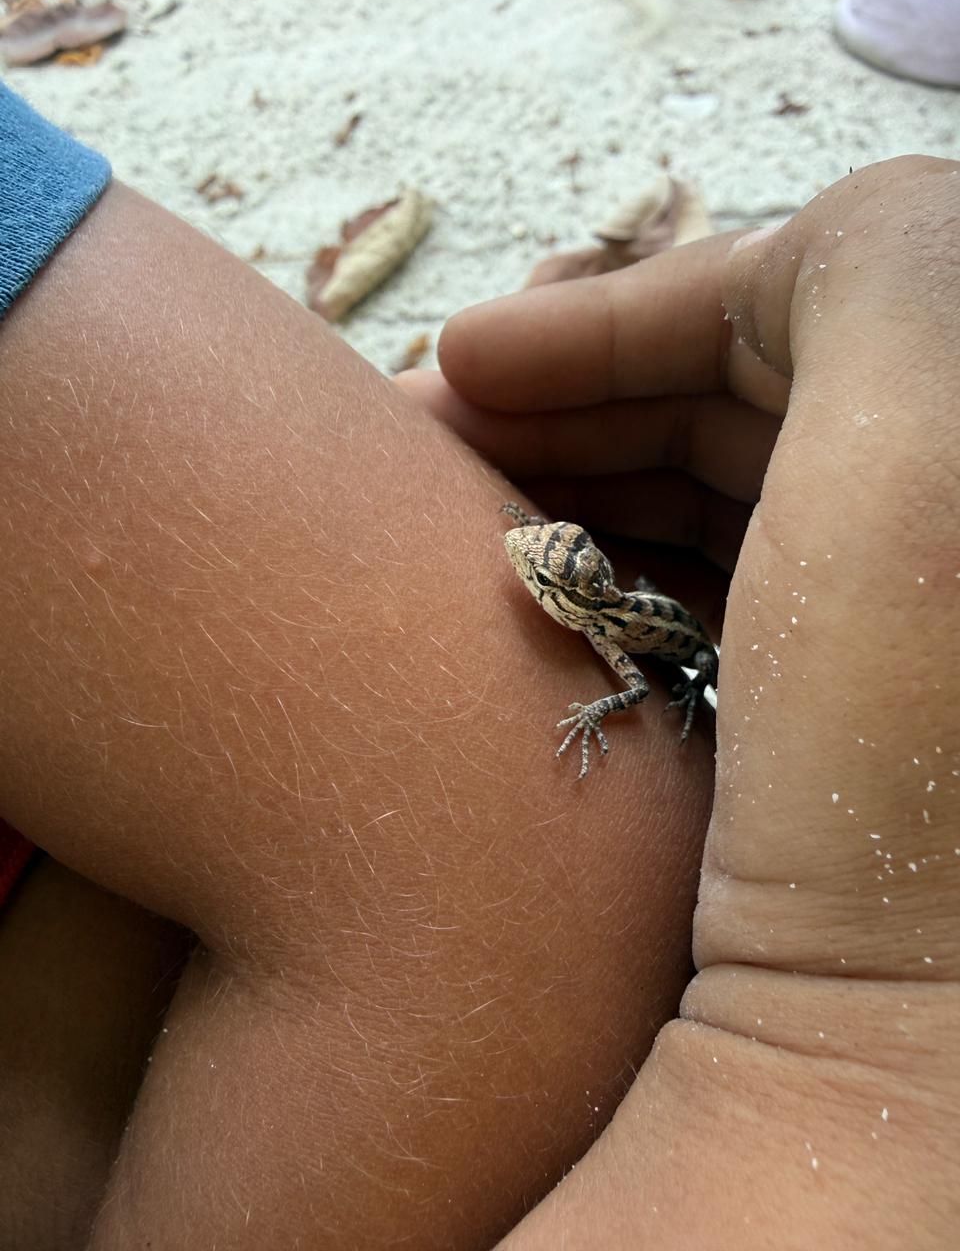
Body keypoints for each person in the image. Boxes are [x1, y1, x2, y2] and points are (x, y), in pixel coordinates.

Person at [0, 79, 956, 1248]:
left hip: (690, 658)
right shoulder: (591, 607)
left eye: (544, 563)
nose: (526, 561)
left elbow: (638, 686)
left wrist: (865, 1004)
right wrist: (864, 1026)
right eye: (541, 556)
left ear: (569, 587)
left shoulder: (607, 628)